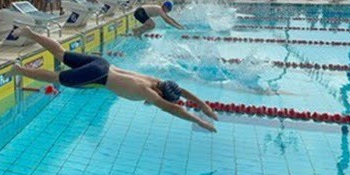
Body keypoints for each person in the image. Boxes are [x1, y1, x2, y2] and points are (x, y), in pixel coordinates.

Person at [11, 27, 218, 132]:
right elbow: (174, 109)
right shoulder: (149, 93)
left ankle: (29, 33)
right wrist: (200, 121)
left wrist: (204, 105)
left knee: (61, 53)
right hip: (99, 76)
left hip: (102, 63)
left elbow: (181, 91)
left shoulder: (154, 80)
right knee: (57, 78)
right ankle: (18, 70)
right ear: (162, 94)